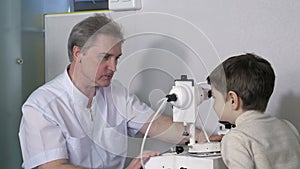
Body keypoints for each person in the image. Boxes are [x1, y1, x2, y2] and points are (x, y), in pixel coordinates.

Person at [19, 14, 221, 169]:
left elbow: (156, 124)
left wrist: (204, 138)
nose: (114, 68)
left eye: (117, 58)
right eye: (105, 57)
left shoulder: (115, 93)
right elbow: (54, 167)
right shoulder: (42, 106)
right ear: (78, 53)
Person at [206, 53, 300, 169]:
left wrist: (230, 143)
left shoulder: (236, 139)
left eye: (215, 98)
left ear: (232, 100)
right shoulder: (288, 127)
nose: (214, 105)